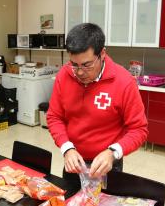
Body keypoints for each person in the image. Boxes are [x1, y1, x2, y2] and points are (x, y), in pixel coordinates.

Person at [47, 23, 148, 182]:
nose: (79, 72)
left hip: (107, 164)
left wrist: (112, 153)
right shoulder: (64, 75)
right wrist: (66, 148)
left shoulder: (125, 82)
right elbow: (54, 117)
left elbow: (138, 130)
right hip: (73, 160)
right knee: (68, 204)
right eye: (74, 64)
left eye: (87, 65)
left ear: (102, 53)